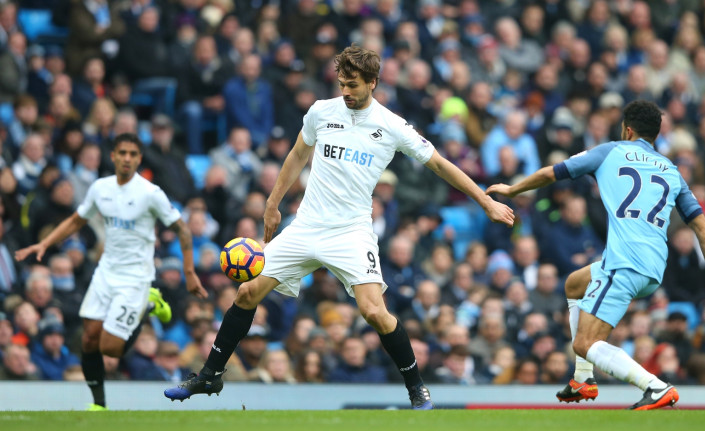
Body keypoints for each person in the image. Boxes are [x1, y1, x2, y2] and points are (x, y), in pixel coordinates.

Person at [164, 44, 514, 410]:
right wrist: (272, 204)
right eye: (342, 83)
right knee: (247, 293)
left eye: (353, 85)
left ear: (373, 83)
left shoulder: (392, 126)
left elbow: (440, 164)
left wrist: (485, 201)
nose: (345, 91)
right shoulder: (321, 111)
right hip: (306, 226)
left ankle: (416, 387)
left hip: (350, 233)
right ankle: (209, 376)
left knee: (375, 312)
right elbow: (298, 154)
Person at [488, 100, 705, 410]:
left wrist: (512, 190)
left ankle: (654, 386)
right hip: (654, 267)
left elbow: (553, 173)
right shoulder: (671, 170)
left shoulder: (610, 151)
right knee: (575, 284)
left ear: (627, 129)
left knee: (585, 343)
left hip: (624, 263)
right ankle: (583, 380)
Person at [15, 133, 206, 410]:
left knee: (111, 348)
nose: (127, 158)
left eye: (132, 153)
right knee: (89, 339)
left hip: (136, 277)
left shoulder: (150, 193)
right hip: (106, 272)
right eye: (122, 153)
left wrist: (189, 272)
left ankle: (148, 305)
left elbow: (182, 229)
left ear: (139, 158)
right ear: (114, 156)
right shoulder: (100, 188)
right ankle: (99, 406)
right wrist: (45, 242)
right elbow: (76, 220)